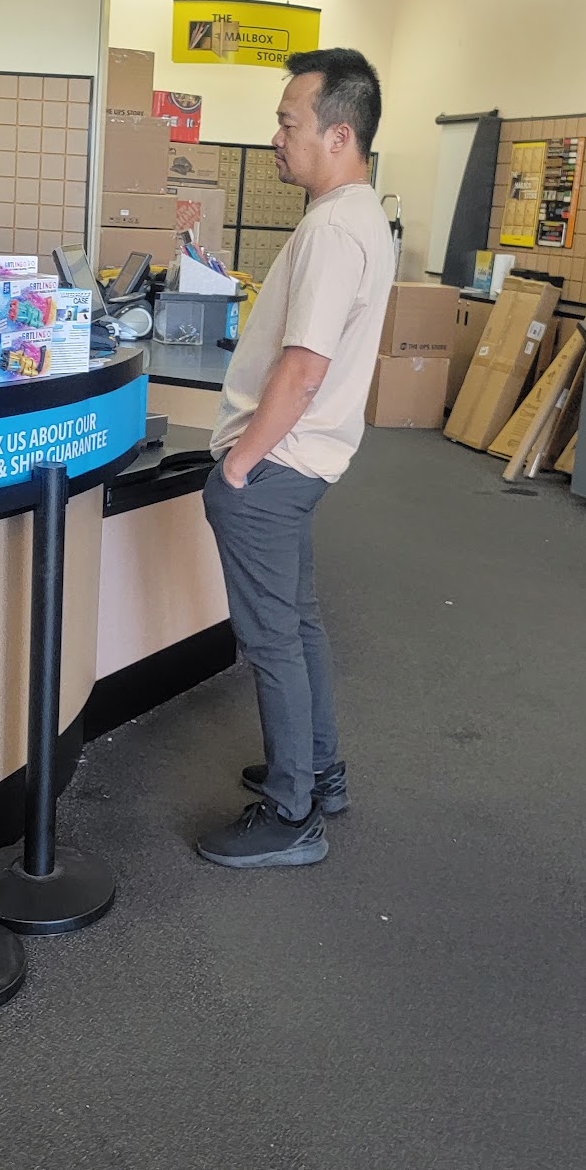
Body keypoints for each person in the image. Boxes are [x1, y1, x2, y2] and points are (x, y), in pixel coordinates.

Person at [197, 48, 396, 872]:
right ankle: (319, 773)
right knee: (300, 623)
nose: (275, 138)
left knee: (272, 638)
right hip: (305, 463)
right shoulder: (360, 217)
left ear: (338, 135)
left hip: (275, 467)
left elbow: (304, 366)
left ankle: (291, 814)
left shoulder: (333, 230)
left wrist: (238, 467)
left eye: (288, 123)